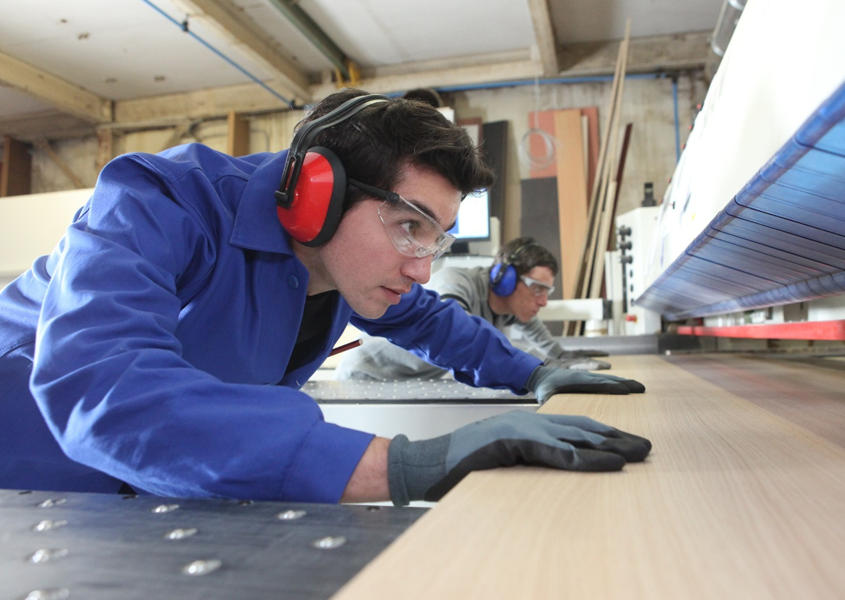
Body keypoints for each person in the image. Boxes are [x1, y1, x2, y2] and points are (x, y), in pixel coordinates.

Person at [0, 88, 650, 506]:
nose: (422, 270)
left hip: (159, 479)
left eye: (435, 241)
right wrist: (409, 464)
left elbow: (432, 322)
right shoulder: (160, 200)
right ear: (318, 193)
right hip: (34, 479)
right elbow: (103, 385)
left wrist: (534, 373)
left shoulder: (344, 264)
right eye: (409, 227)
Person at [336, 237, 611, 381]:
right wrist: (540, 369)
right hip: (367, 374)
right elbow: (456, 332)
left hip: (410, 379)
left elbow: (547, 347)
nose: (543, 301)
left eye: (546, 292)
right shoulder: (457, 281)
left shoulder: (512, 307)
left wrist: (567, 359)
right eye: (537, 289)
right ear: (506, 279)